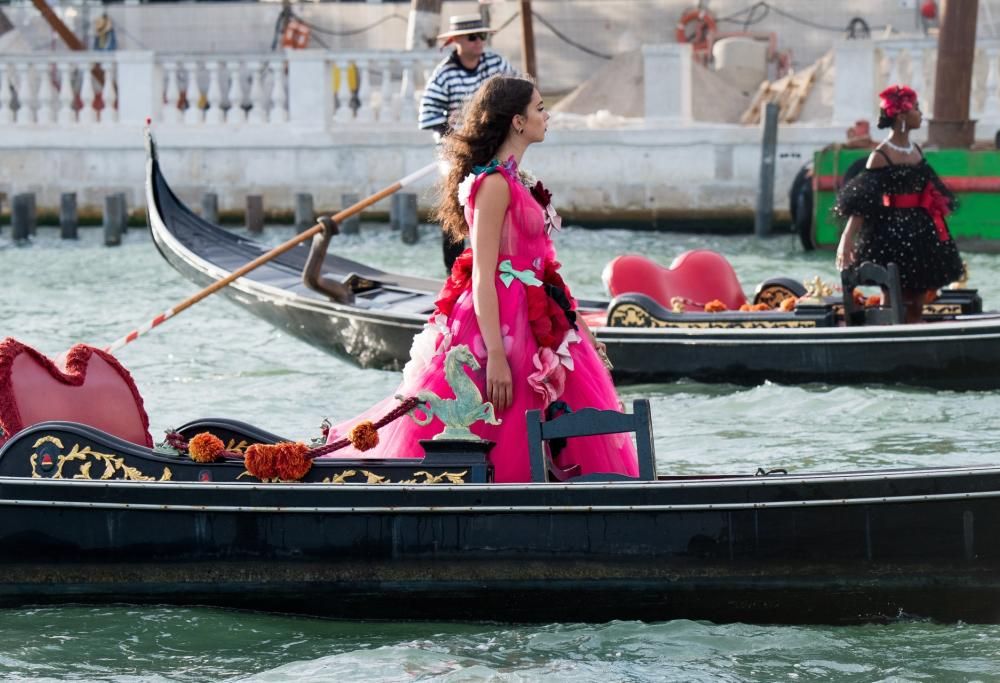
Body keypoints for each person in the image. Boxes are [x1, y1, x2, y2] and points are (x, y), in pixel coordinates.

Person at [324, 76, 638, 483]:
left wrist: (578, 326)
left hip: (536, 312)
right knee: (503, 414)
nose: (547, 115)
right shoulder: (492, 185)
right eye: (540, 108)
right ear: (517, 122)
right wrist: (496, 355)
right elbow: (482, 273)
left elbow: (544, 270)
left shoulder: (520, 182)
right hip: (500, 320)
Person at [835, 84, 963, 323]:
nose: (921, 113)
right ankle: (890, 338)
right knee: (892, 294)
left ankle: (916, 338)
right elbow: (862, 202)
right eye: (916, 108)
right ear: (902, 115)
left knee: (917, 297)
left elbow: (931, 191)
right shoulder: (880, 156)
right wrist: (847, 238)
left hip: (921, 231)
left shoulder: (916, 150)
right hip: (891, 232)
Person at [419, 14, 517, 273]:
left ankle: (500, 270)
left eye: (482, 36)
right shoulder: (444, 75)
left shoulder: (497, 64)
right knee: (456, 213)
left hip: (493, 149)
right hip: (456, 155)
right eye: (473, 37)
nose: (480, 41)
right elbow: (429, 116)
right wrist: (462, 142)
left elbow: (519, 95)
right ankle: (454, 275)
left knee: (503, 208)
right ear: (457, 41)